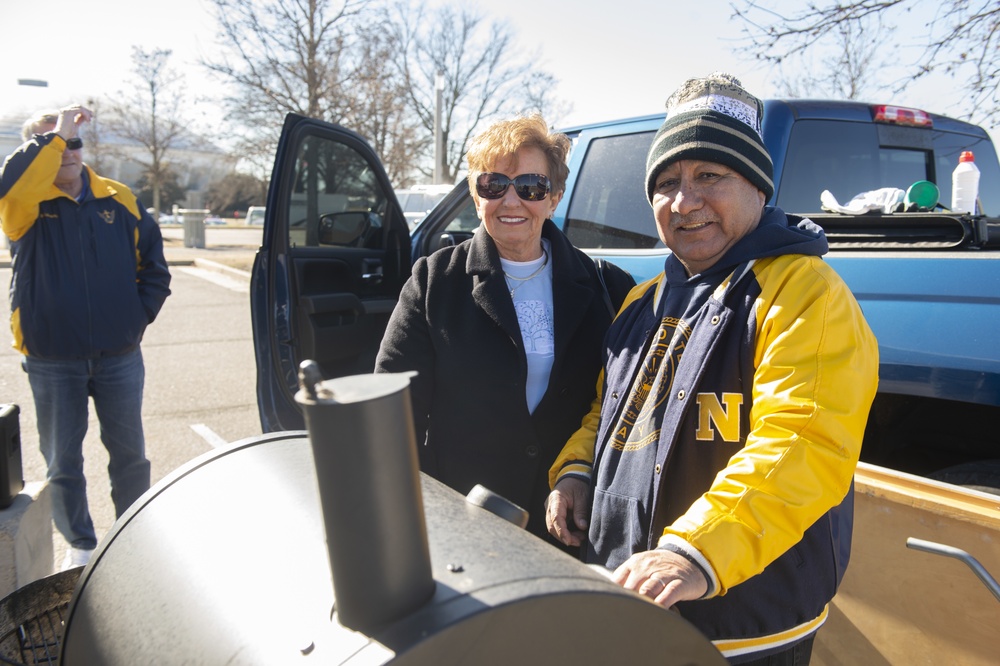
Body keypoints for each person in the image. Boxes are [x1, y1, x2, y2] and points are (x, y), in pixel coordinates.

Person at [545, 73, 879, 664]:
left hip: (742, 627)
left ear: (756, 184)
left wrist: (694, 553)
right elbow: (612, 411)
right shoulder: (641, 302)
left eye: (709, 176)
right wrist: (575, 469)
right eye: (667, 183)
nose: (684, 201)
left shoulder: (803, 294)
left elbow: (803, 442)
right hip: (632, 603)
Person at [376, 114, 634, 541]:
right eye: (493, 185)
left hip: (569, 522)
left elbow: (622, 405)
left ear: (553, 198)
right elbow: (394, 410)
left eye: (531, 187)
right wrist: (422, 511)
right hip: (464, 519)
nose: (511, 201)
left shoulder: (608, 286)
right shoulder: (433, 282)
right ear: (475, 197)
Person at [0, 105, 172, 569]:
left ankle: (133, 536)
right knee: (62, 461)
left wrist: (133, 321)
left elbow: (154, 271)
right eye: (51, 144)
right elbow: (9, 182)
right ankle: (80, 546)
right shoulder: (23, 207)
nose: (65, 151)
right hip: (52, 358)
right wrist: (57, 132)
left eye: (73, 142)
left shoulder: (120, 198)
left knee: (130, 455)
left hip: (119, 356)